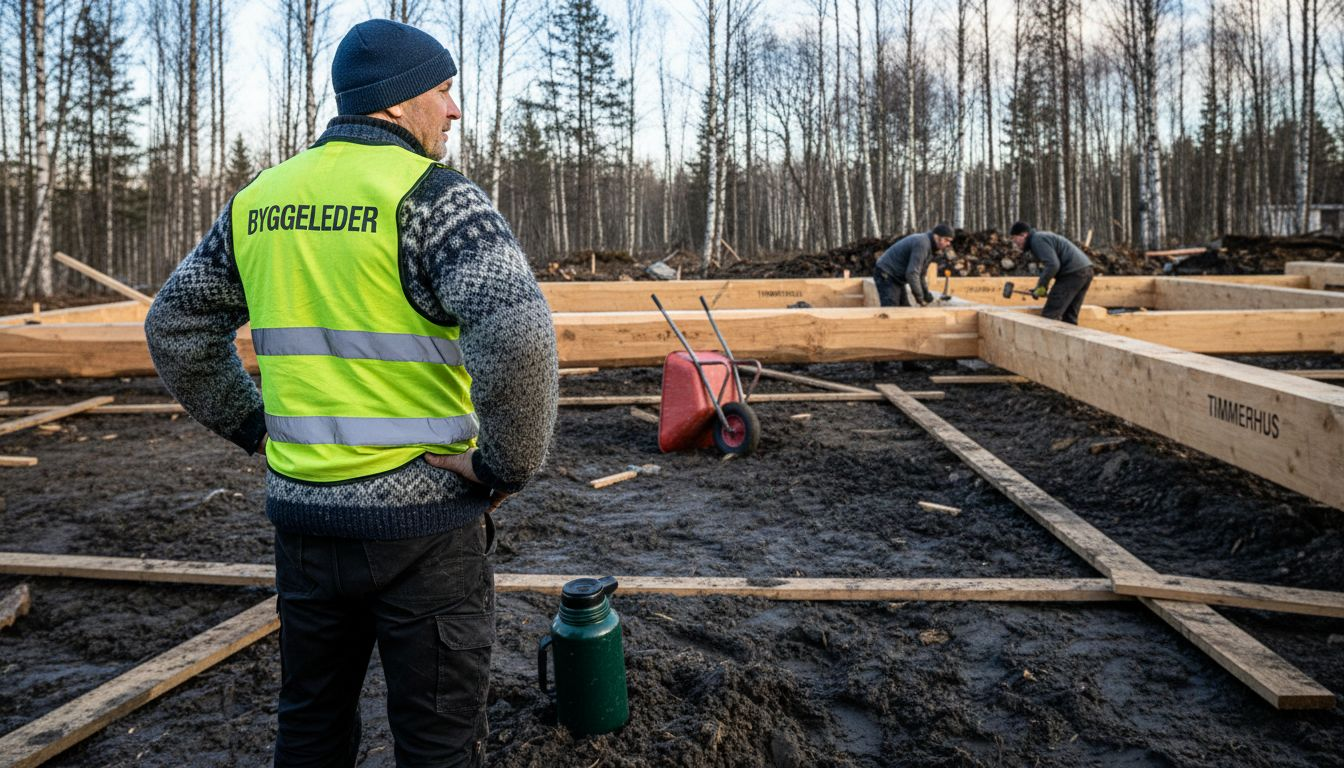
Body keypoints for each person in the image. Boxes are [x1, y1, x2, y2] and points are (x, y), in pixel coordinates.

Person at [145, 19, 558, 767]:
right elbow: (520, 334)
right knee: (438, 742)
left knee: (310, 726)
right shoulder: (435, 199)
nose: (454, 109)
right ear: (399, 103)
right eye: (443, 90)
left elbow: (175, 326)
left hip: (304, 527)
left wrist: (256, 430)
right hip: (424, 528)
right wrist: (505, 467)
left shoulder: (260, 201)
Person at [1009, 221, 1094, 325]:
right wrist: (1040, 289)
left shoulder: (1037, 240)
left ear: (1024, 234)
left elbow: (1053, 265)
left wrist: (1042, 286)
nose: (1014, 243)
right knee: (1069, 317)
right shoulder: (1040, 238)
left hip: (1073, 273)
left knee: (1049, 316)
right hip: (1085, 270)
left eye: (1014, 238)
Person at [873, 224, 954, 307]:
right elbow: (912, 273)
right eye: (946, 240)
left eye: (950, 241)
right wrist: (920, 298)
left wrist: (926, 294)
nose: (948, 244)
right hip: (886, 273)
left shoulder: (931, 248)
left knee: (905, 309)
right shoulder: (922, 244)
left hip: (896, 277)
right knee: (892, 310)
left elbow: (921, 274)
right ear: (936, 237)